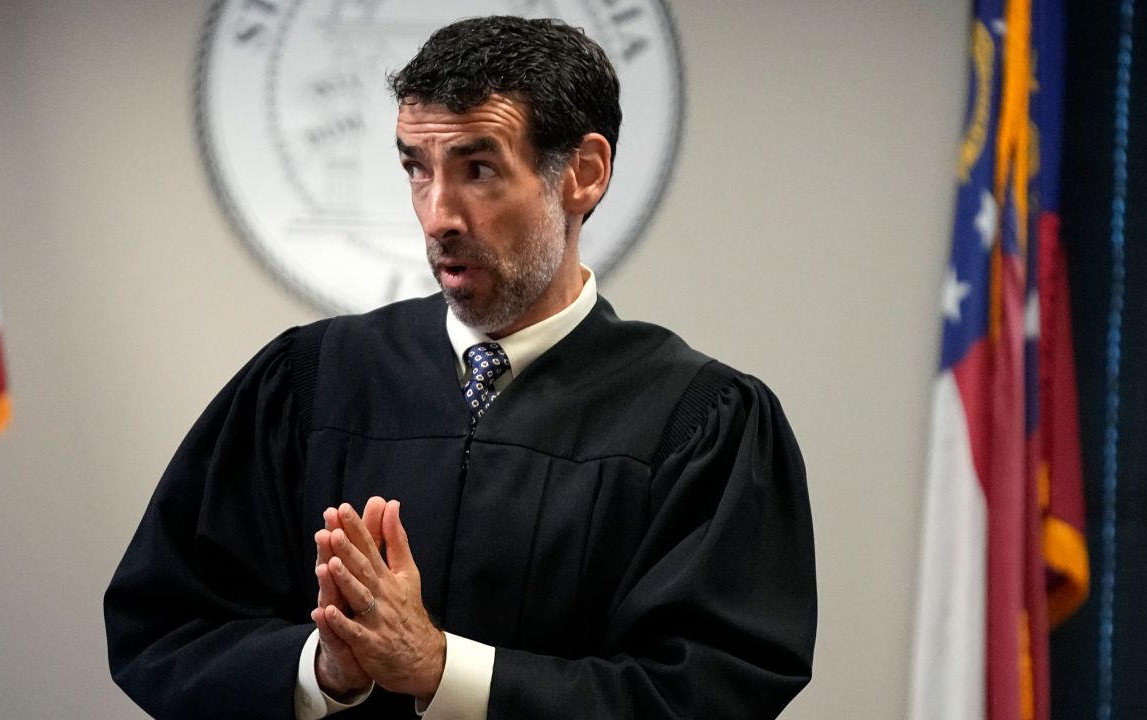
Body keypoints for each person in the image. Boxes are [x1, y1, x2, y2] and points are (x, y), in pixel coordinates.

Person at [104, 15, 816, 720]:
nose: (436, 213)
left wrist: (443, 670)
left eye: (478, 169)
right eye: (417, 167)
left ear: (584, 175)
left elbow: (707, 694)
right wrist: (322, 670)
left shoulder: (694, 421)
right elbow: (164, 627)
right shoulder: (312, 381)